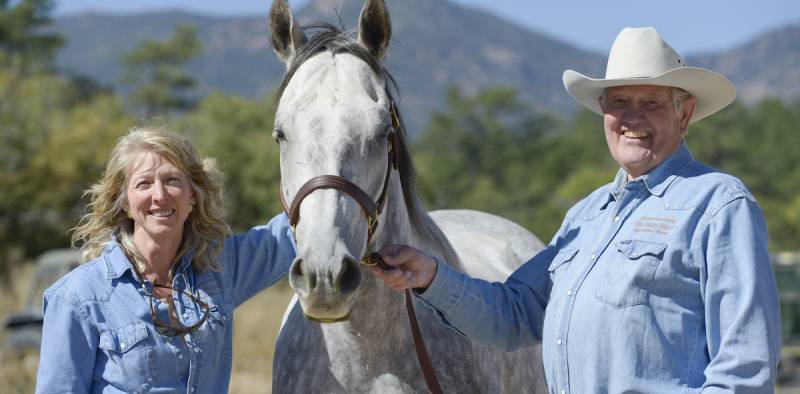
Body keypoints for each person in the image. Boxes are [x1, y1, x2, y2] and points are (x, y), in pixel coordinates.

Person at [369, 27, 781, 392]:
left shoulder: (719, 206)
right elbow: (515, 315)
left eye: (652, 102)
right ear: (603, 111)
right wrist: (432, 276)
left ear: (684, 113)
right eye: (619, 101)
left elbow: (743, 370)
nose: (632, 117)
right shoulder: (587, 215)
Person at [35, 127, 295, 393]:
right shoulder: (76, 298)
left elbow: (297, 230)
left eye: (172, 180)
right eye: (144, 183)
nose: (160, 195)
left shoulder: (220, 267)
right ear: (124, 202)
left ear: (192, 195)